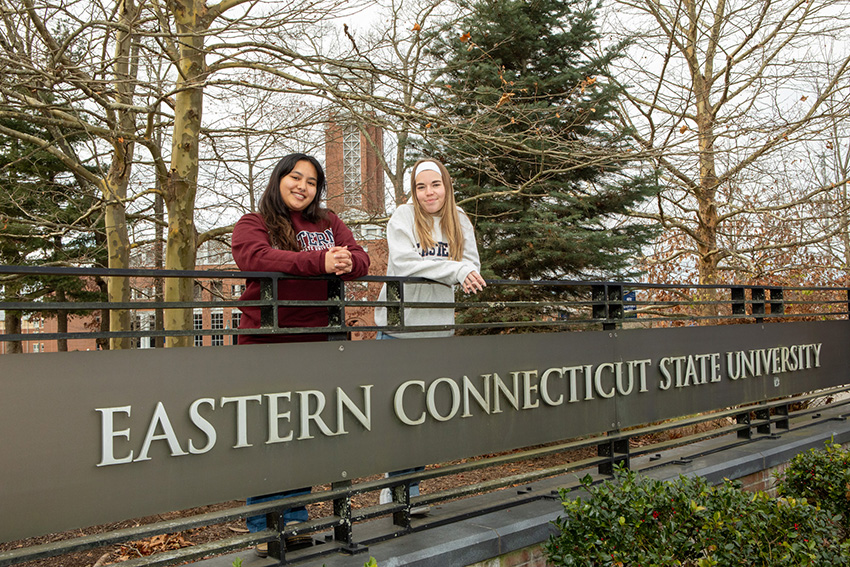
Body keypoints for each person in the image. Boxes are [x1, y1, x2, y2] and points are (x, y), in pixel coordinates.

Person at [231, 153, 370, 553]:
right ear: (278, 180)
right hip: (268, 344)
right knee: (269, 435)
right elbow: (255, 258)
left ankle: (294, 519)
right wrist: (320, 261)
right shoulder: (253, 223)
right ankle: (264, 525)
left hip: (319, 343)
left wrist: (345, 260)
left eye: (311, 181)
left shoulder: (328, 223)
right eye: (295, 177)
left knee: (306, 432)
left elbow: (359, 258)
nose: (303, 186)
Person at [374, 157, 486, 510]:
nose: (428, 193)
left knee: (425, 418)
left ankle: (411, 487)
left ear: (446, 185)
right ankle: (395, 487)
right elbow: (406, 263)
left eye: (434, 185)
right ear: (414, 190)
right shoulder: (403, 217)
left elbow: (472, 266)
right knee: (396, 417)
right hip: (398, 330)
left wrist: (464, 271)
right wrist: (455, 269)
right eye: (421, 186)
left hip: (437, 331)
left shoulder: (460, 220)